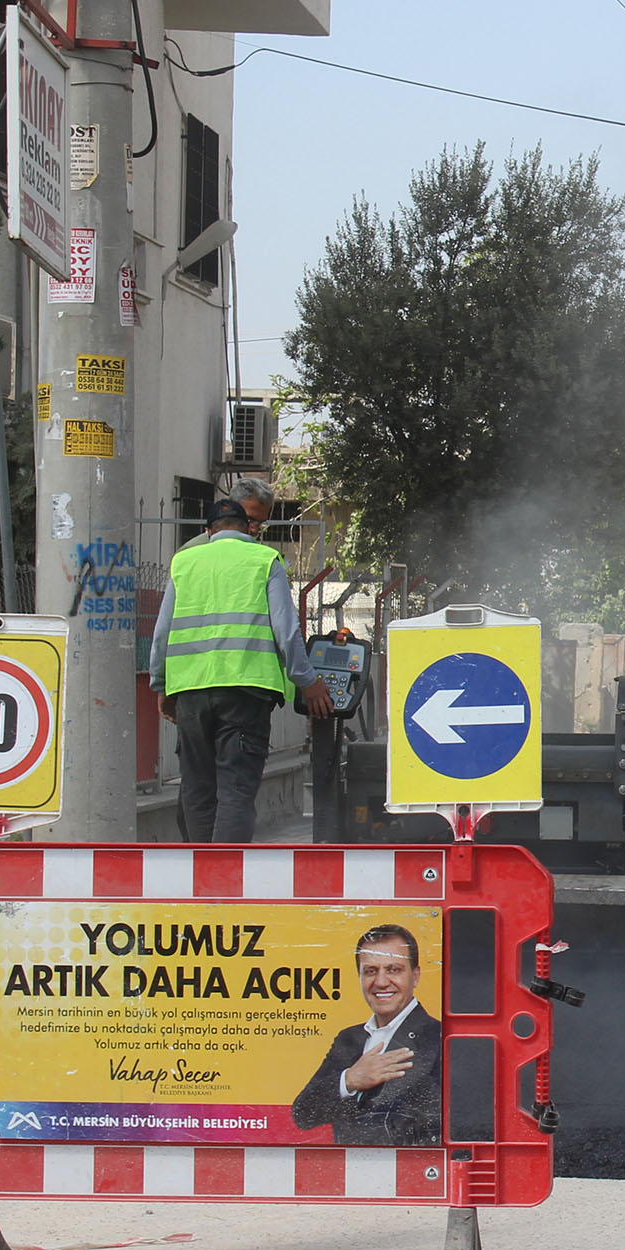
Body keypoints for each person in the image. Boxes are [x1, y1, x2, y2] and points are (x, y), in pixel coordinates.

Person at [149, 498, 332, 843]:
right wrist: (308, 681)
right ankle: (225, 882)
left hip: (189, 691)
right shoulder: (264, 560)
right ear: (248, 528)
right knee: (234, 790)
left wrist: (162, 685)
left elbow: (162, 633)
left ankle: (200, 879)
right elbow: (286, 631)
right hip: (246, 693)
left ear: (208, 532)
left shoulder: (184, 562)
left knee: (197, 789)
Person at [290, 924, 443, 1145]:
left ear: (416, 976)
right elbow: (303, 1114)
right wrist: (351, 1079)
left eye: (394, 970)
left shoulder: (439, 1038)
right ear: (360, 976)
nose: (381, 982)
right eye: (371, 971)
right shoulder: (349, 1038)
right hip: (346, 1172)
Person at [178, 477, 278, 549]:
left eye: (260, 523)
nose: (255, 530)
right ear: (229, 507)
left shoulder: (259, 554)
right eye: (250, 520)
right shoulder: (192, 550)